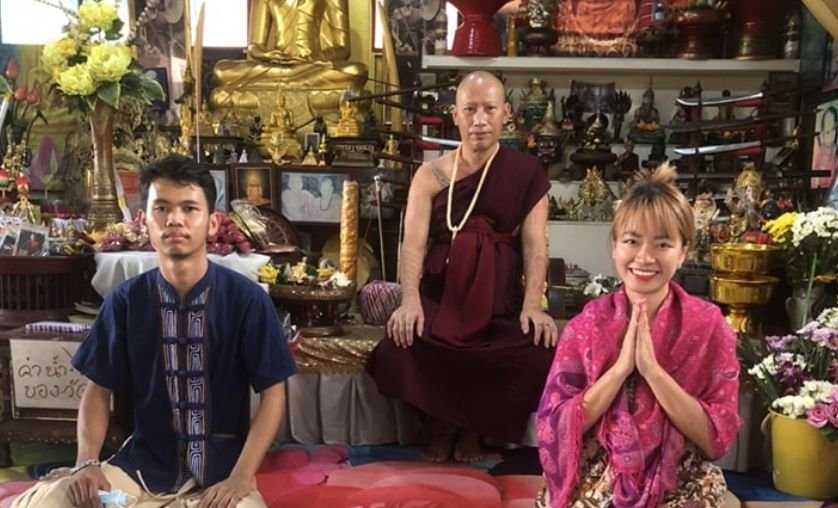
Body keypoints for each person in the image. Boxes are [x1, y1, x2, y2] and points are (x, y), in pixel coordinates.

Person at [12, 155, 297, 508]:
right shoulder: (125, 302)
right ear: (145, 221)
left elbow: (273, 394)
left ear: (212, 223)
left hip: (222, 472)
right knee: (48, 503)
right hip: (142, 468)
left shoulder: (247, 300)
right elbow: (98, 391)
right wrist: (86, 462)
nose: (174, 219)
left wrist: (241, 476)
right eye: (161, 208)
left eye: (189, 208)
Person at [367, 71, 558, 463]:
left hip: (499, 303)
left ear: (507, 113)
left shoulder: (526, 173)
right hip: (442, 297)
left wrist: (533, 306)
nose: (480, 119)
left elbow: (536, 244)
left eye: (489, 109)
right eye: (470, 109)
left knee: (536, 352)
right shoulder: (430, 174)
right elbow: (413, 244)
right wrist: (410, 301)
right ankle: (440, 428)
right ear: (455, 115)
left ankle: (475, 430)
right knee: (399, 346)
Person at [535, 163, 741, 507]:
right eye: (632, 241)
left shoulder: (708, 326)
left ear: (683, 251)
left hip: (682, 477)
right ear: (615, 246)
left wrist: (652, 372)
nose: (644, 258)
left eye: (662, 244)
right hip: (598, 475)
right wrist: (618, 372)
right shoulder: (587, 325)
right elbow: (553, 426)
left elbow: (715, 439)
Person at [812, 105, 838, 188]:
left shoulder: (835, 150)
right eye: (827, 131)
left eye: (833, 129)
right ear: (823, 130)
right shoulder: (817, 145)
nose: (830, 135)